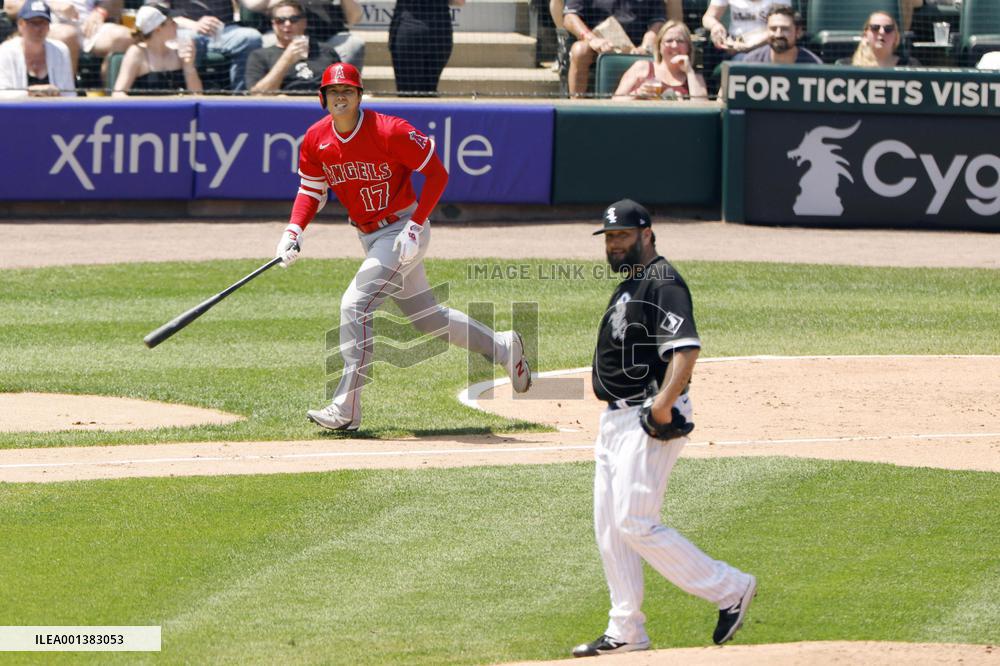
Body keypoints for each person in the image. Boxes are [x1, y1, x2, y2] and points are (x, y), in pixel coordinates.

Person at [274, 63, 532, 431]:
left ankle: (346, 407)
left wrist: (414, 226)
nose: (341, 97)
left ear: (360, 95)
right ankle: (504, 347)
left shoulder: (389, 130)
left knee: (355, 304)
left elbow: (438, 173)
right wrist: (293, 230)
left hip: (401, 231)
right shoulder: (316, 139)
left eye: (348, 90)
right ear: (323, 98)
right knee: (427, 318)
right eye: (333, 91)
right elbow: (311, 190)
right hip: (370, 235)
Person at [572, 199, 757, 658]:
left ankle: (729, 588)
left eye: (623, 236)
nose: (614, 245)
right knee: (610, 528)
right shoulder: (633, 284)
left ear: (647, 233)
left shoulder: (663, 282)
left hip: (644, 417)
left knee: (635, 521)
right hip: (614, 420)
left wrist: (661, 406)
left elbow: (686, 350)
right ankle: (626, 629)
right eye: (610, 238)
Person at [562, 0, 669, 97]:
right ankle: (577, 106)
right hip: (595, 43)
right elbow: (570, 17)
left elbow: (658, 20)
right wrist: (591, 39)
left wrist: (646, 45)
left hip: (636, 46)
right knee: (579, 50)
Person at [162, 0, 262, 90]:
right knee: (188, 40)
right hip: (186, 30)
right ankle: (185, 95)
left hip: (224, 30)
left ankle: (241, 98)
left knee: (251, 38)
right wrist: (194, 25)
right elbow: (158, 11)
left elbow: (252, 3)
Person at [245, 0, 340, 94]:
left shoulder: (326, 51)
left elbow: (344, 88)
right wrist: (286, 59)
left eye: (293, 19)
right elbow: (258, 94)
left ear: (304, 23)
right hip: (285, 106)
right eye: (280, 21)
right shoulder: (259, 56)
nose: (287, 24)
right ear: (273, 24)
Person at [240, 0, 365, 69]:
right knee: (263, 42)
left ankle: (340, 93)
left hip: (326, 37)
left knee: (353, 43)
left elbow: (354, 19)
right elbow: (252, 5)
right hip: (282, 37)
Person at [112, 4, 202, 94]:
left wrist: (189, 66)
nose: (176, 25)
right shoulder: (136, 53)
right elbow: (118, 93)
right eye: (172, 22)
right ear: (158, 29)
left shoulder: (180, 52)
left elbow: (197, 95)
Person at [613, 20, 707, 100]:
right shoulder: (642, 67)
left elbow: (703, 110)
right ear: (659, 46)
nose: (674, 45)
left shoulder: (695, 77)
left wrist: (689, 71)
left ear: (688, 48)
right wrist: (638, 93)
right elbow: (614, 102)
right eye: (669, 41)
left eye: (680, 41)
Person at [0, 0, 76, 97]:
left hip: (53, 110)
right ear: (20, 24)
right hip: (17, 111)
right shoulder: (6, 51)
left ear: (49, 27)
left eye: (43, 23)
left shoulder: (61, 50)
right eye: (33, 23)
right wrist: (31, 92)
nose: (38, 29)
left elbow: (70, 94)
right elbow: (2, 94)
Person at [389, 0, 464, 95]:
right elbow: (459, 2)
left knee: (407, 94)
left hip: (409, 29)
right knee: (429, 92)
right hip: (439, 30)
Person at [734, 5, 821, 65]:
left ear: (798, 32)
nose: (778, 34)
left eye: (785, 29)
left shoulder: (813, 64)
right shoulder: (751, 62)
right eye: (773, 29)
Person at [835, 12, 919, 68]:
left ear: (896, 37)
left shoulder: (910, 66)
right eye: (875, 28)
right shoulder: (845, 66)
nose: (882, 32)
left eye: (888, 29)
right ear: (865, 35)